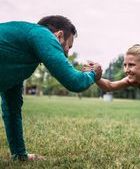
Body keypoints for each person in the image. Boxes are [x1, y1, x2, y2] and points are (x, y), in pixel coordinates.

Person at [0, 15, 102, 160]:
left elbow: (12, 107)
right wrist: (93, 73)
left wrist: (19, 154)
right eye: (69, 46)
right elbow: (74, 81)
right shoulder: (42, 34)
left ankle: (18, 154)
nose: (67, 53)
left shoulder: (22, 51)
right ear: (59, 36)